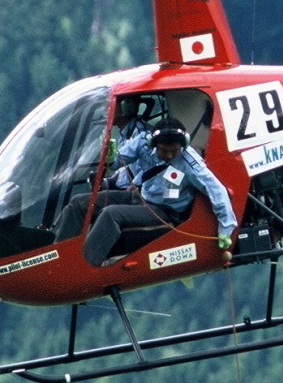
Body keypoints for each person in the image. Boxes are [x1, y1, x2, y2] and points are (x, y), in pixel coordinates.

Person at [81, 118, 237, 267]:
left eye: (174, 151)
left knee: (111, 214)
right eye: (164, 150)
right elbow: (116, 163)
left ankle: (84, 264)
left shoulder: (191, 163)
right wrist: (110, 156)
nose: (169, 155)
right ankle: (58, 253)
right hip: (140, 197)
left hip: (163, 211)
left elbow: (217, 190)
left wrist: (226, 227)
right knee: (80, 203)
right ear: (153, 144)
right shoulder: (143, 143)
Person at [52, 96, 156, 242]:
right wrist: (109, 181)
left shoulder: (141, 135)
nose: (107, 110)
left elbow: (150, 168)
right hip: (126, 191)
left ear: (127, 107)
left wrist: (137, 184)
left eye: (111, 106)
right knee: (77, 202)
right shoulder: (127, 133)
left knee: (79, 204)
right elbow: (127, 168)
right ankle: (53, 238)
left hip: (137, 196)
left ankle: (59, 250)